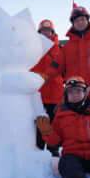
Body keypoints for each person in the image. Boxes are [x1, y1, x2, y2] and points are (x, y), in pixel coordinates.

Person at [47, 2, 90, 109]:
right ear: (73, 24)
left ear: (87, 20)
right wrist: (42, 77)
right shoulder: (67, 47)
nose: (80, 22)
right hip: (74, 95)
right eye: (76, 20)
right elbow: (56, 66)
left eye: (82, 19)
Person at [32, 19, 64, 155]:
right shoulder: (33, 50)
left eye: (48, 31)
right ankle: (38, 151)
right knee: (39, 124)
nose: (46, 33)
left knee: (55, 125)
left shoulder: (60, 49)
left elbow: (63, 69)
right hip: (39, 95)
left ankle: (54, 152)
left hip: (56, 95)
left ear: (52, 32)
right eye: (43, 31)